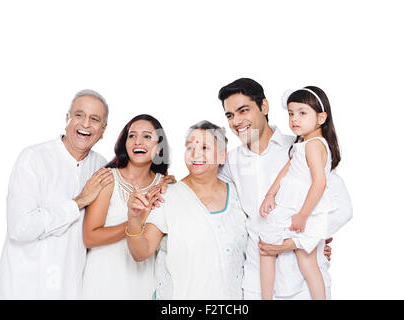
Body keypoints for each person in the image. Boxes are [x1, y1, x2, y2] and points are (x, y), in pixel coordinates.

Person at [217, 78, 353, 300]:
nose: (237, 121)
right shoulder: (231, 161)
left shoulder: (301, 148)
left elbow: (342, 209)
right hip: (257, 284)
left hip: (304, 284)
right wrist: (167, 182)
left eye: (244, 110)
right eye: (230, 115)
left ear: (264, 107)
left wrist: (300, 241)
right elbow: (203, 187)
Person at [0, 89, 114, 299]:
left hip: (70, 290)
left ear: (103, 130)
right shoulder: (34, 158)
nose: (85, 124)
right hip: (25, 289)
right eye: (79, 115)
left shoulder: (101, 167)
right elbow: (20, 228)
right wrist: (78, 202)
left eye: (94, 119)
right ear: (67, 119)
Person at [126, 121, 248, 299]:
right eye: (190, 147)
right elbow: (141, 253)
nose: (195, 154)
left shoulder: (240, 196)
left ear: (222, 156)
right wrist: (134, 218)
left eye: (205, 147)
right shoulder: (168, 196)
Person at [259, 86, 341, 300]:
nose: (294, 119)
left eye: (302, 113)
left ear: (321, 118)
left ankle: (267, 297)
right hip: (292, 206)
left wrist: (303, 215)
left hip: (300, 209)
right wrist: (270, 194)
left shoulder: (314, 145)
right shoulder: (303, 144)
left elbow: (319, 183)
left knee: (268, 247)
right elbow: (286, 169)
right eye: (291, 113)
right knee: (301, 259)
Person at [81, 114, 171, 299]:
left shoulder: (164, 186)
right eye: (132, 136)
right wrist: (137, 221)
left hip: (143, 280)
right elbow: (90, 237)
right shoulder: (108, 178)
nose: (138, 141)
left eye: (147, 136)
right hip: (103, 279)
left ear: (159, 147)